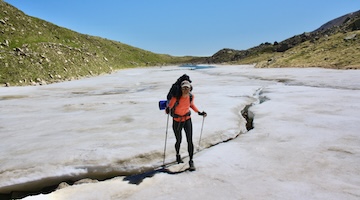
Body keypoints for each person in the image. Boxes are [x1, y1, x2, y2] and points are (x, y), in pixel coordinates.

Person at [166, 80, 207, 171]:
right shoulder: (175, 98)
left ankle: (191, 161)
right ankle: (177, 155)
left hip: (187, 120)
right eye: (184, 88)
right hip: (177, 121)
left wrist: (199, 112)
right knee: (179, 140)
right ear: (181, 89)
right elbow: (169, 107)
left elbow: (191, 105)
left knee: (190, 140)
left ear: (190, 89)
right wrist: (167, 110)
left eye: (187, 88)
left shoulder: (191, 97)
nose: (185, 90)